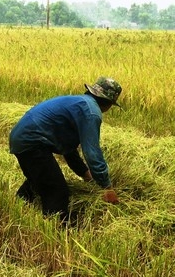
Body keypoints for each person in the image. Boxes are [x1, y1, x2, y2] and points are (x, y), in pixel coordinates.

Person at [9, 77, 122, 221]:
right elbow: (92, 152)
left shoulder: (79, 103)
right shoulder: (92, 112)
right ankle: (55, 227)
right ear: (108, 103)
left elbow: (68, 150)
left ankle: (16, 209)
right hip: (33, 141)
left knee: (39, 180)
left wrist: (85, 174)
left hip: (21, 137)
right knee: (57, 190)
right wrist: (106, 186)